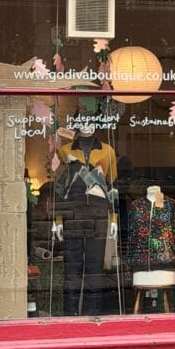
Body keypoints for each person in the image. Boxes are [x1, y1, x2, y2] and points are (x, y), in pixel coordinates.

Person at [53, 116, 118, 316]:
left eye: (90, 122)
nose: (86, 126)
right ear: (76, 125)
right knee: (72, 267)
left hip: (98, 216)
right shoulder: (65, 151)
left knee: (94, 267)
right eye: (82, 122)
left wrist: (113, 218)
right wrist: (58, 221)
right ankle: (70, 313)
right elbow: (59, 189)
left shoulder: (108, 151)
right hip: (73, 214)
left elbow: (113, 187)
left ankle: (92, 313)